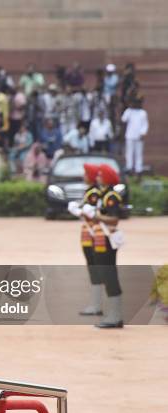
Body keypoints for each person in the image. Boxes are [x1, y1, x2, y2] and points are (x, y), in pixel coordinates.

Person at [90, 164, 124, 328]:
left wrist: (98, 216)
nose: (97, 177)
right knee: (105, 274)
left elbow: (115, 219)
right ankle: (113, 314)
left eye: (100, 175)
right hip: (100, 239)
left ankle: (116, 316)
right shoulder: (103, 195)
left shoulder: (111, 196)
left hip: (108, 241)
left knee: (110, 275)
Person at [68, 164, 104, 315]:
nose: (84, 176)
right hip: (87, 234)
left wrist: (79, 211)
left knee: (94, 267)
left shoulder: (94, 192)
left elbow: (93, 213)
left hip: (93, 235)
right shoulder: (90, 191)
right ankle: (95, 303)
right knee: (92, 267)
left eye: (86, 173)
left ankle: (96, 305)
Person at [121, 99, 149, 178]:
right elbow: (123, 119)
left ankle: (138, 170)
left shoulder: (143, 113)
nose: (136, 104)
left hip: (139, 136)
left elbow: (145, 125)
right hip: (129, 135)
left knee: (138, 154)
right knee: (129, 153)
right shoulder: (129, 111)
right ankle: (129, 168)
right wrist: (129, 109)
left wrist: (143, 133)